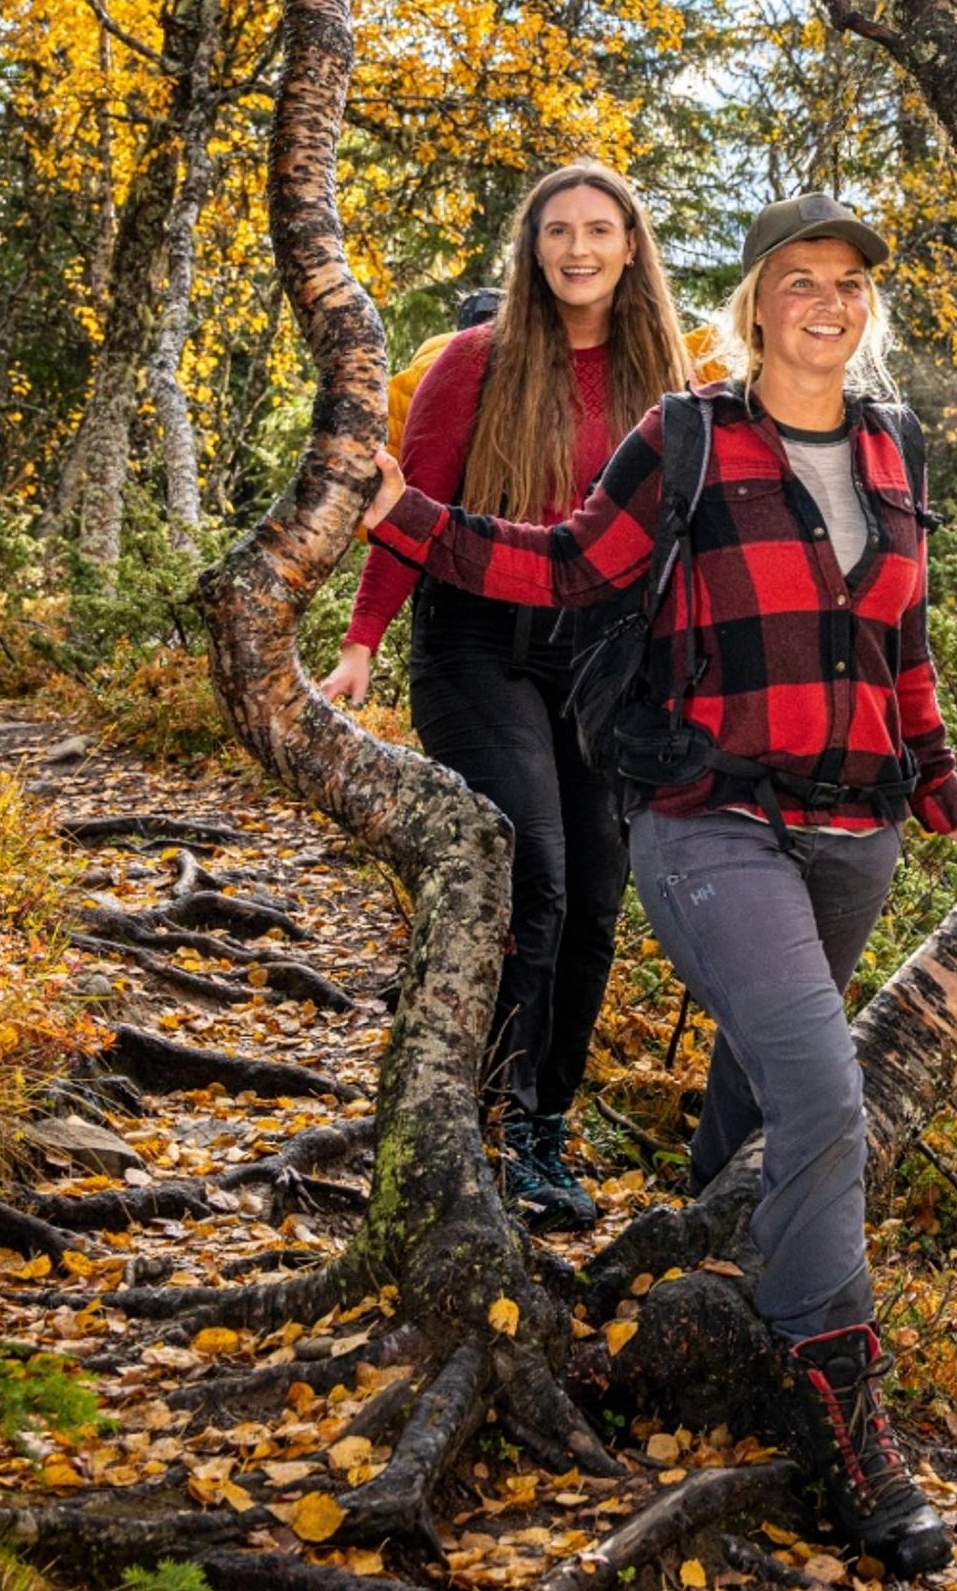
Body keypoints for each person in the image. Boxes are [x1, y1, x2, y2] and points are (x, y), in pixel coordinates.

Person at [359, 192, 957, 1576]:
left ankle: (698, 1270)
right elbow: (566, 562)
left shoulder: (888, 449)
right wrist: (412, 518)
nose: (827, 305)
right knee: (825, 1086)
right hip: (707, 818)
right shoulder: (690, 435)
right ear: (756, 300)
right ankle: (842, 1410)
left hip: (858, 829)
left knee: (767, 1086)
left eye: (849, 286)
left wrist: (947, 797)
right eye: (800, 282)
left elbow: (904, 650)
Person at [327, 162, 689, 1232]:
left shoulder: (664, 381)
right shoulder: (477, 363)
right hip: (476, 639)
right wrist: (360, 641)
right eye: (557, 232)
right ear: (532, 251)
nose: (578, 249)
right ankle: (472, 1121)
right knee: (532, 868)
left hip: (598, 659)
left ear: (631, 248)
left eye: (600, 230)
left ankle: (539, 1133)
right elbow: (409, 507)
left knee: (591, 904)